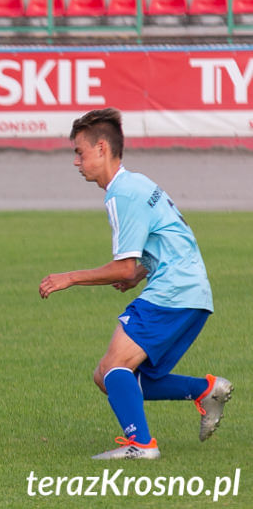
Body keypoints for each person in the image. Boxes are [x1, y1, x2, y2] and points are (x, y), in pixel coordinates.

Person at [38, 108, 232, 460]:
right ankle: (206, 390)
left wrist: (69, 278)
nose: (76, 162)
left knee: (114, 368)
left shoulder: (121, 194)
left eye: (79, 153)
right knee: (107, 376)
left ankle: (141, 445)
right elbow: (172, 234)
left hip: (173, 292)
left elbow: (123, 269)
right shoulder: (138, 183)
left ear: (101, 148)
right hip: (190, 291)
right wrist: (144, 270)